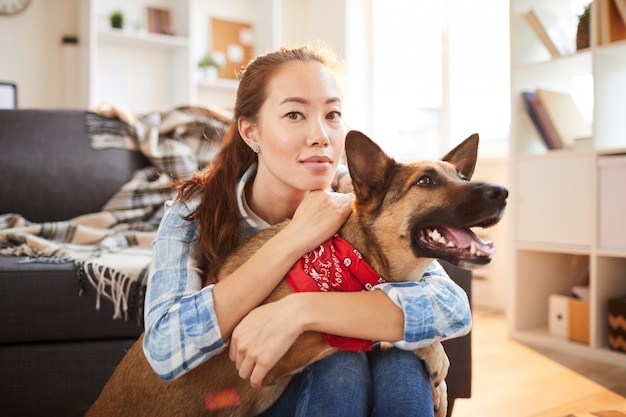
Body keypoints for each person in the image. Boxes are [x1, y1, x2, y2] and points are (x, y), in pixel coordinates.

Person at [142, 45, 472, 417]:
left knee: (402, 364)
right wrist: (296, 235)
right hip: (231, 397)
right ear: (251, 132)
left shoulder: (360, 197)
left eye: (332, 114)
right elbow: (164, 348)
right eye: (295, 114)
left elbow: (452, 307)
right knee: (342, 365)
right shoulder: (194, 210)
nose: (321, 135)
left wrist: (300, 310)